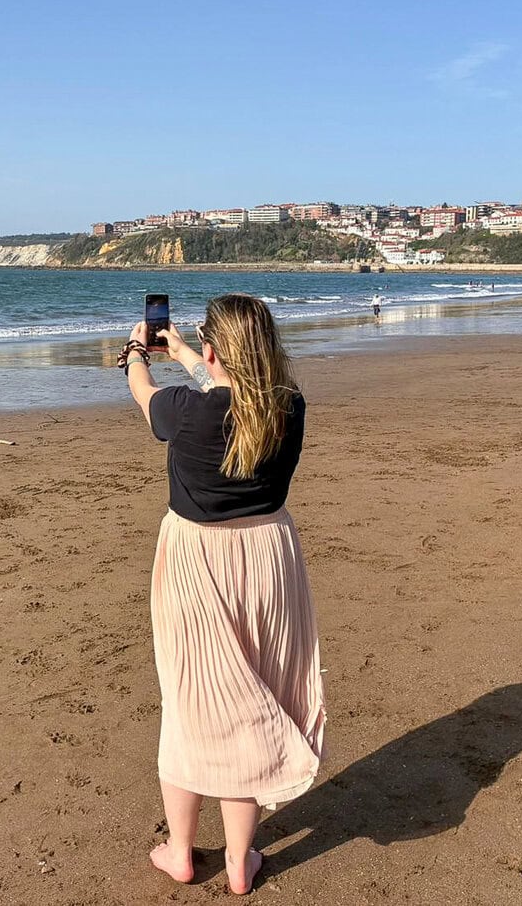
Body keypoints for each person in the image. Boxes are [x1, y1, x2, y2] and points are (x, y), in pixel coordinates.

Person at [117, 294, 326, 895]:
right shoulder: (288, 406)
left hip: (198, 559)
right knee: (253, 695)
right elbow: (235, 391)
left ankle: (181, 852)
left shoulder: (186, 413)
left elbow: (143, 393)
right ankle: (239, 860)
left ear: (215, 353)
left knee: (190, 703)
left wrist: (136, 350)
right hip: (268, 559)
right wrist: (186, 352)